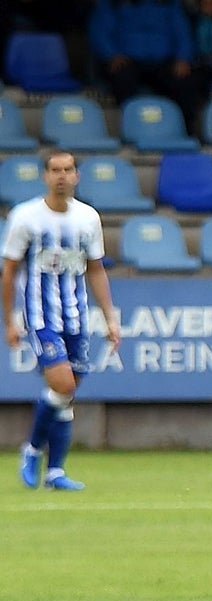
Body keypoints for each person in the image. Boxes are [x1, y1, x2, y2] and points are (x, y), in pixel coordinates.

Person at [2, 152, 121, 492]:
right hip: (41, 317)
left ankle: (55, 472)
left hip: (77, 316)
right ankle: (32, 450)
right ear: (45, 176)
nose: (62, 176)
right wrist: (10, 321)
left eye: (68, 170)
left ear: (77, 176)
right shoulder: (25, 217)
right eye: (55, 170)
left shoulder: (88, 218)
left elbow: (96, 269)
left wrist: (110, 317)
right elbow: (8, 272)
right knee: (64, 385)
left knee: (64, 394)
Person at [87, 0, 203, 135]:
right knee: (123, 79)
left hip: (163, 62)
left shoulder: (169, 4)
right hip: (127, 61)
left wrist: (183, 58)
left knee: (186, 83)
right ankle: (130, 131)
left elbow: (182, 33)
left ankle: (186, 133)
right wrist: (111, 55)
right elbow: (99, 31)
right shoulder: (114, 4)